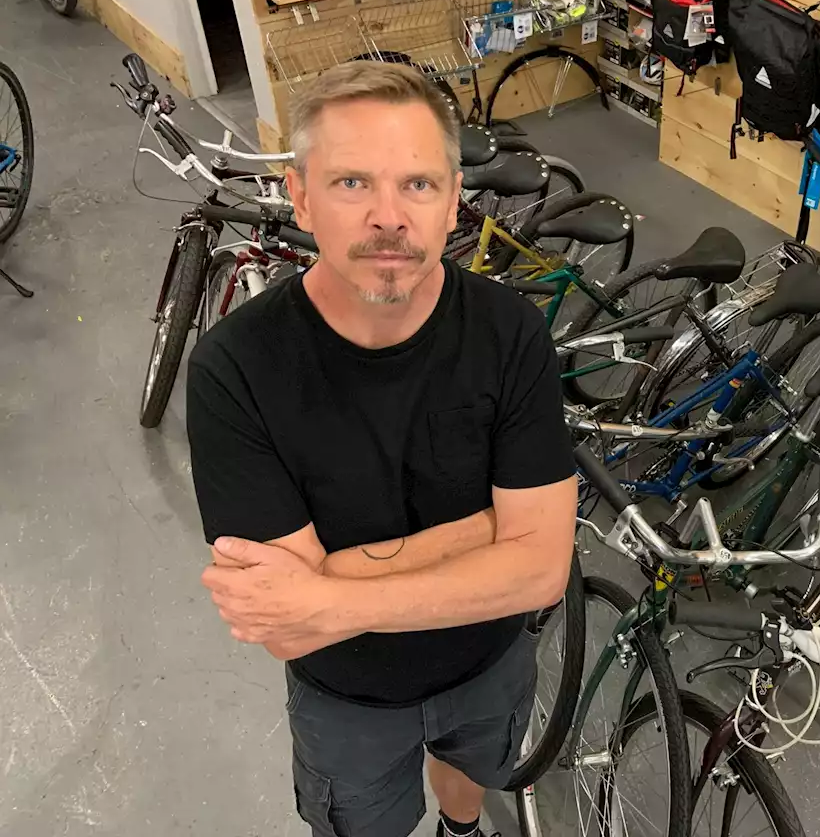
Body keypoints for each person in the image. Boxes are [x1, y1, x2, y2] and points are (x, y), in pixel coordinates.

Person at [187, 60, 577, 837]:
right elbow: (288, 629)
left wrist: (327, 593)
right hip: (348, 699)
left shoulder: (510, 333)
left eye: (419, 185)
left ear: (453, 200)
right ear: (299, 195)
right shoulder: (235, 369)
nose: (389, 216)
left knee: (471, 776)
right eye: (352, 183)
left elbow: (539, 571)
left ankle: (461, 831)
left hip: (486, 665)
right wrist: (488, 537)